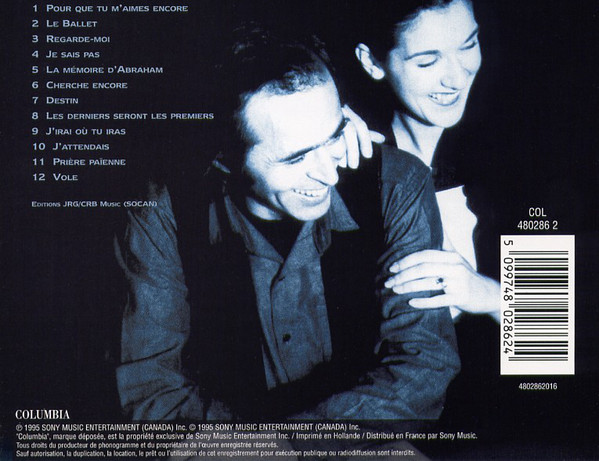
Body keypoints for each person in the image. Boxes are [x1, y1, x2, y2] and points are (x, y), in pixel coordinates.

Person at [114, 25, 459, 422]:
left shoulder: (397, 184)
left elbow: (423, 366)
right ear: (225, 158)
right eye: (296, 158)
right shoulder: (161, 211)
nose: (329, 174)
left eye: (333, 138)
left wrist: (286, 443)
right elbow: (150, 392)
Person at [351, 0, 501, 323]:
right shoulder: (355, 162)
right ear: (372, 62)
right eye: (427, 62)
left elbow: (549, 338)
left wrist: (488, 294)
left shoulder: (520, 154)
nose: (457, 78)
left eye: (468, 45)